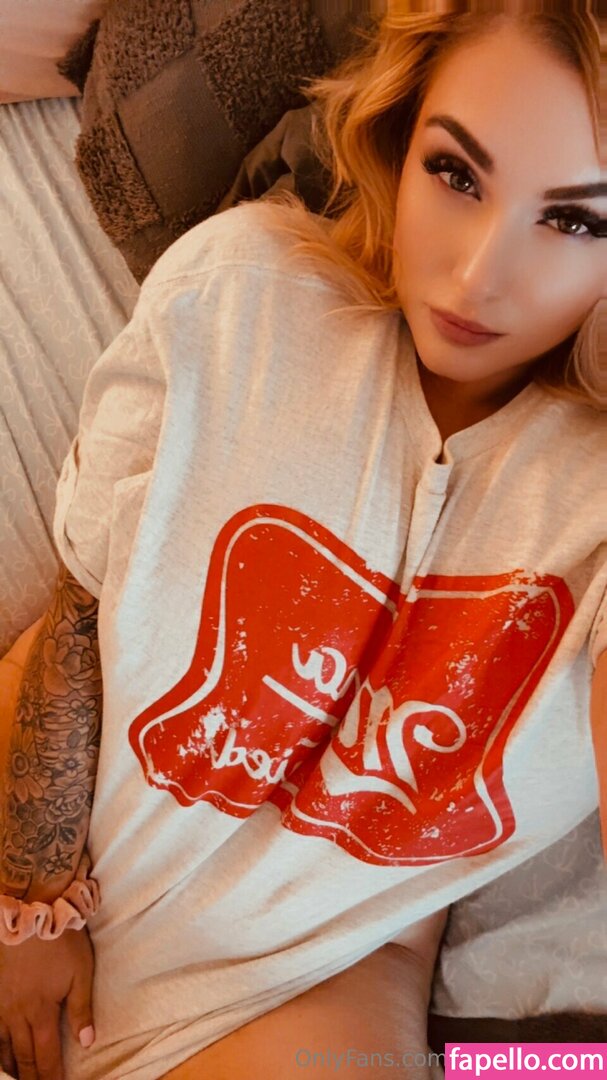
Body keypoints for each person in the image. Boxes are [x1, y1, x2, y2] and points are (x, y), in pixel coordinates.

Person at [0, 2, 606, 1078]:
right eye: (455, 174)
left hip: (287, 994)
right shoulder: (236, 292)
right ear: (399, 136)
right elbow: (78, 619)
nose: (477, 276)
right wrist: (27, 907)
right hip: (47, 853)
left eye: (575, 222)